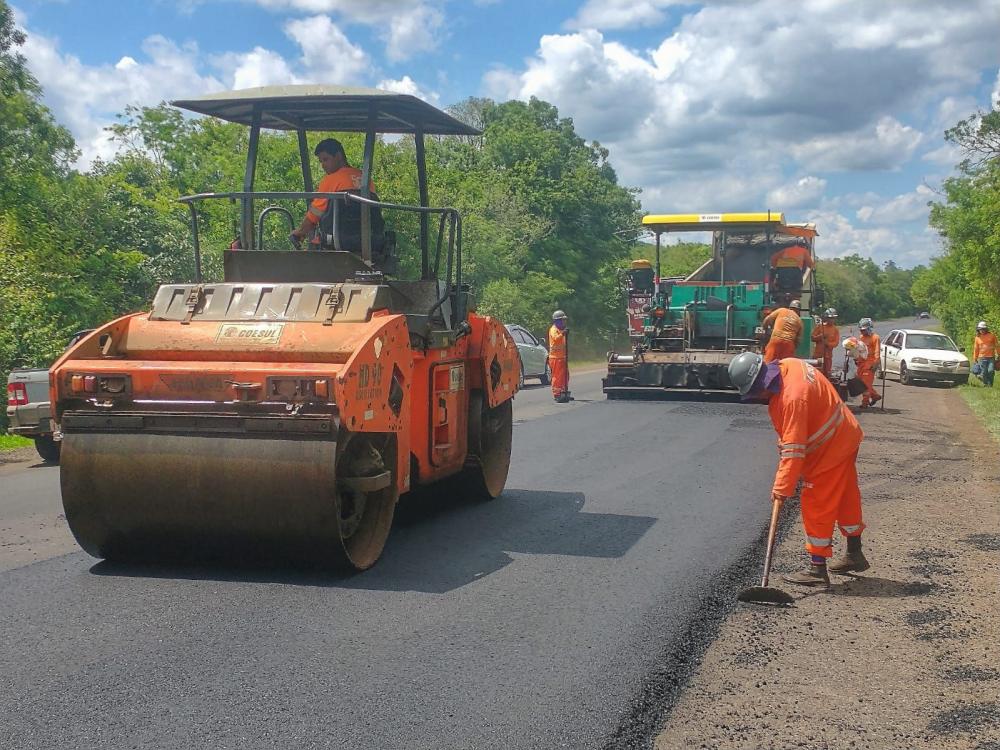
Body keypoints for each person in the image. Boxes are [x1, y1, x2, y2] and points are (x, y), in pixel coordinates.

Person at [728, 351, 869, 586]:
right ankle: (855, 553)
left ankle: (817, 568)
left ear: (761, 384)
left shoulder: (793, 398)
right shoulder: (789, 364)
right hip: (845, 434)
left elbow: (794, 452)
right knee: (845, 495)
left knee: (816, 500)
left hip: (829, 449)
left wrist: (781, 489)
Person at [291, 138, 373, 245]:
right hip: (369, 240)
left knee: (313, 244)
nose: (323, 165)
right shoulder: (366, 179)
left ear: (338, 156)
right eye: (321, 161)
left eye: (326, 159)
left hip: (338, 241)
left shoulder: (331, 180)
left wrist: (300, 233)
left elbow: (314, 215)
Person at [857, 318, 881, 408]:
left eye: (864, 330)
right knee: (860, 383)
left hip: (870, 365)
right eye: (861, 330)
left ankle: (865, 403)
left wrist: (875, 363)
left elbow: (877, 352)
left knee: (866, 384)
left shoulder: (875, 338)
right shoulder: (861, 338)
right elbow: (859, 350)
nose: (862, 331)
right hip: (861, 364)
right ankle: (875, 396)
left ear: (869, 328)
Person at [809, 307, 840, 378]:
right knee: (816, 374)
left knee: (827, 375)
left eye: (833, 318)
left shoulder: (835, 330)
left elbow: (836, 343)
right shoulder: (820, 327)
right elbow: (812, 338)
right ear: (826, 318)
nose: (832, 320)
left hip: (828, 357)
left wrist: (827, 343)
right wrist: (820, 336)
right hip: (817, 355)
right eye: (830, 318)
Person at [548, 310, 570, 403]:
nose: (564, 322)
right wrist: (563, 334)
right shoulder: (553, 330)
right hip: (555, 358)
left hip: (562, 357)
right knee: (557, 377)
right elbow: (556, 339)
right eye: (563, 320)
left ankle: (563, 392)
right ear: (558, 321)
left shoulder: (561, 330)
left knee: (565, 376)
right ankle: (557, 394)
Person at [973, 321, 997, 387]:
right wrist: (975, 358)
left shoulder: (992, 335)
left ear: (986, 329)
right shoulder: (977, 338)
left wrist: (999, 354)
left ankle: (990, 384)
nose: (982, 330)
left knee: (991, 371)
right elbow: (976, 348)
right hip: (982, 358)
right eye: (981, 329)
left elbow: (997, 345)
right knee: (984, 372)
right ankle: (986, 384)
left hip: (991, 357)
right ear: (978, 329)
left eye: (983, 329)